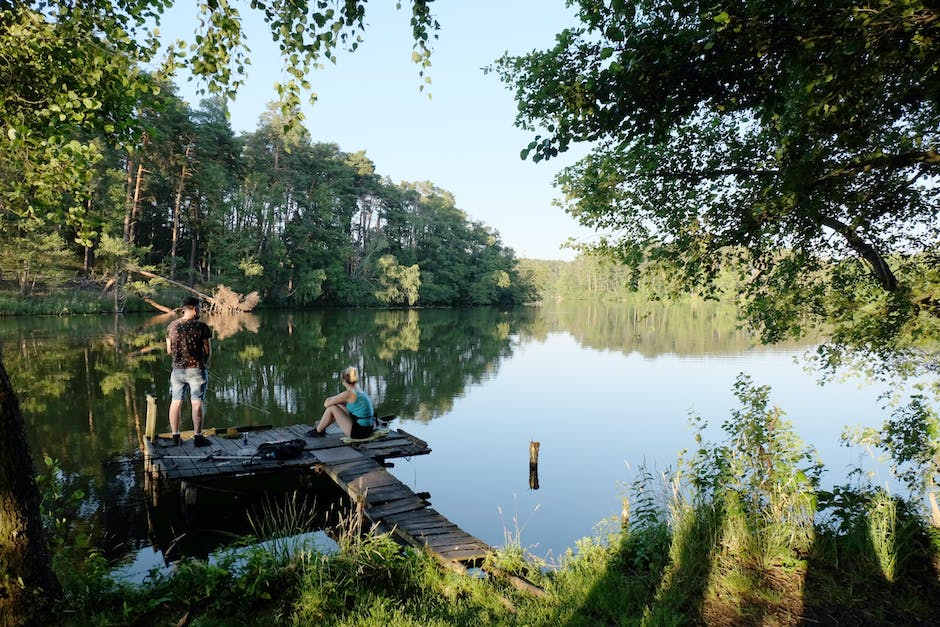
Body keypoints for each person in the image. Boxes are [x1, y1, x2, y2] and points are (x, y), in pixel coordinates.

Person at [166, 296, 212, 446]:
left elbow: (168, 350)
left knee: (175, 402)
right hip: (196, 370)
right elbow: (207, 350)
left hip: (178, 371)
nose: (200, 310)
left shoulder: (171, 326)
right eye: (199, 308)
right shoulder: (201, 327)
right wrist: (205, 362)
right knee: (197, 403)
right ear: (194, 309)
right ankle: (198, 437)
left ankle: (175, 436)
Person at [307, 366, 374, 439]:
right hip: (368, 429)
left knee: (332, 408)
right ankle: (320, 429)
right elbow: (352, 407)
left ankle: (318, 431)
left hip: (359, 432)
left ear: (343, 380)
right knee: (338, 406)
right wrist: (339, 402)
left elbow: (326, 404)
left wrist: (329, 399)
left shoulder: (349, 393)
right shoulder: (358, 391)